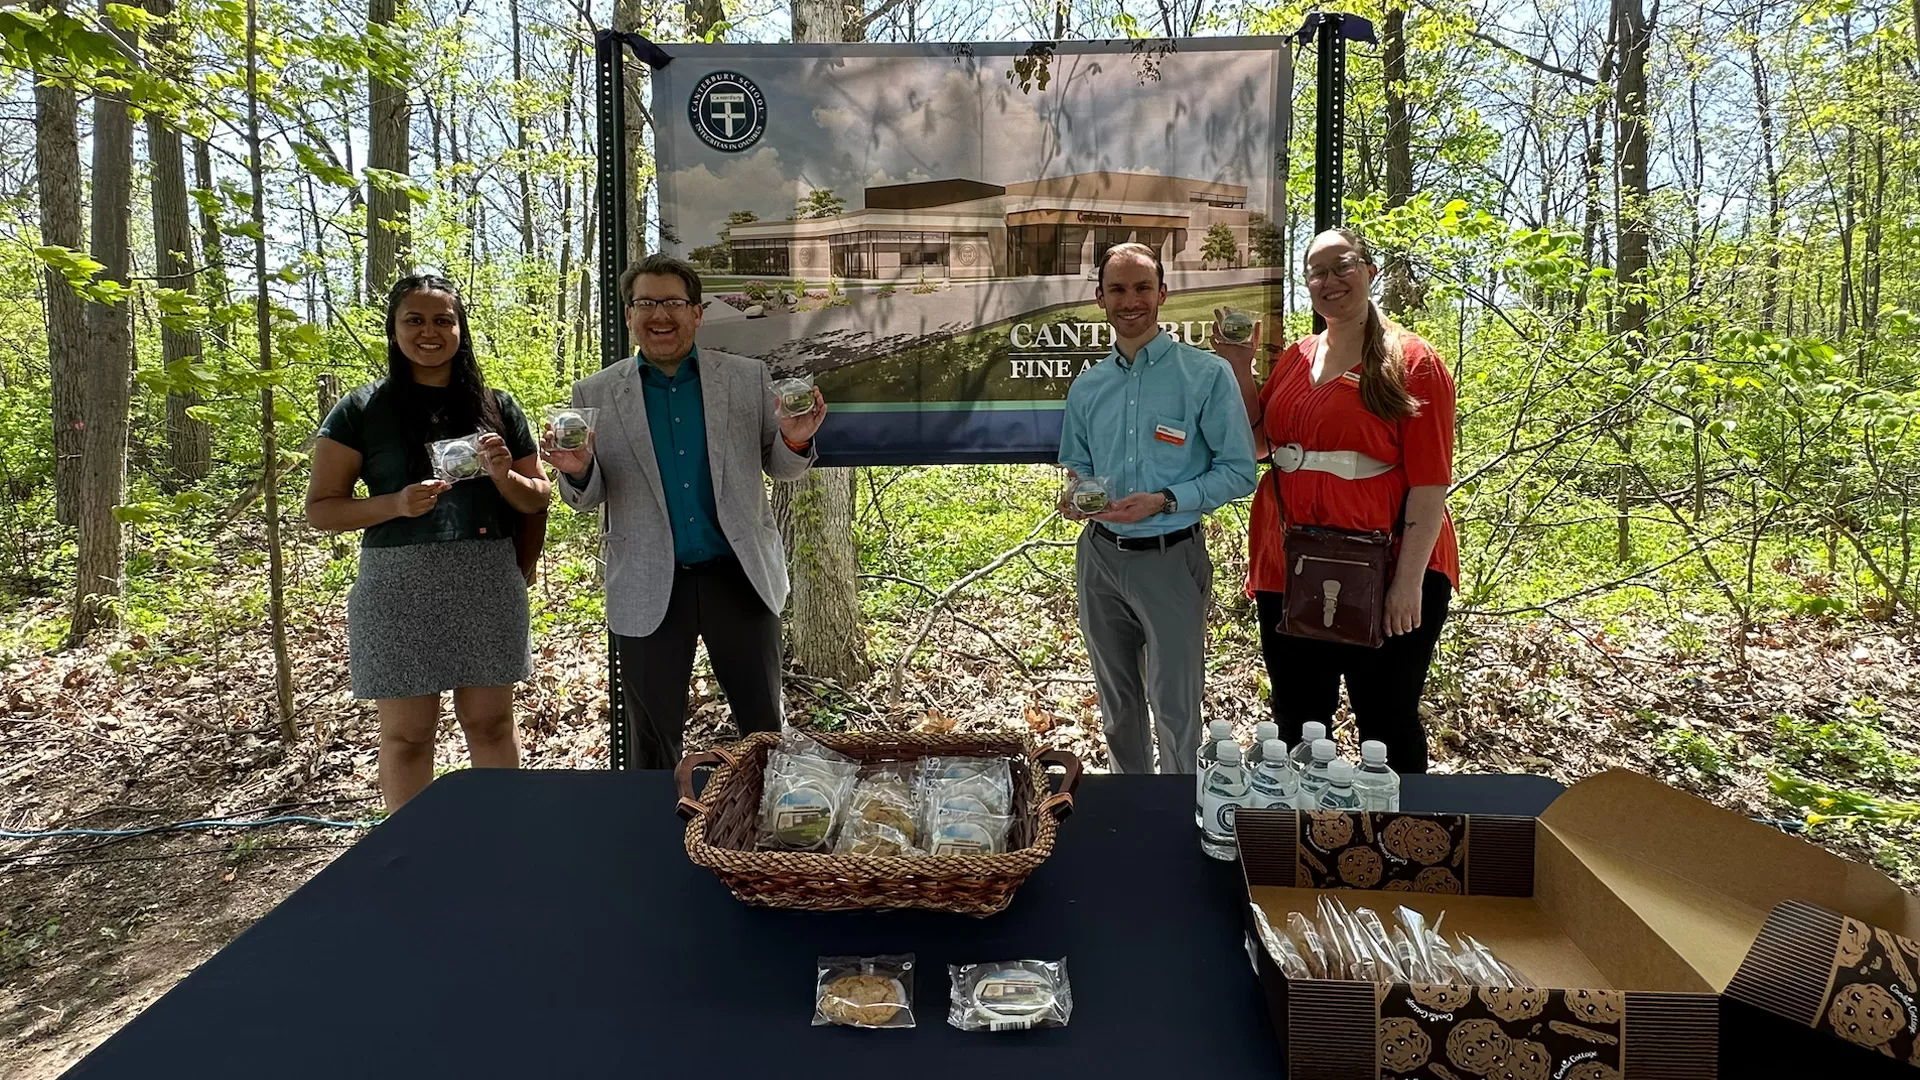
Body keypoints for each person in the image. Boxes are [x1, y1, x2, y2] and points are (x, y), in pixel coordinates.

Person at [544, 253, 826, 769]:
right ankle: (648, 836)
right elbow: (585, 497)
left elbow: (781, 467)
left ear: (697, 313)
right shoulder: (596, 393)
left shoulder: (746, 378)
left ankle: (759, 838)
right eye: (646, 303)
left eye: (673, 302)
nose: (660, 315)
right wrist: (578, 469)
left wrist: (794, 440)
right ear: (629, 315)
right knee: (650, 741)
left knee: (762, 729)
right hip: (648, 582)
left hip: (739, 576)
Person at [1217, 227, 1460, 774]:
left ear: (1369, 271)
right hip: (1292, 564)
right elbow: (1259, 444)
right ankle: (1307, 843)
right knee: (1298, 721)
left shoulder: (1413, 361)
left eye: (1341, 266)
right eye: (1316, 271)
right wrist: (1238, 365)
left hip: (1390, 564)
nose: (1329, 281)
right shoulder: (1296, 358)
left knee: (1387, 719)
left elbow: (1430, 482)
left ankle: (1401, 844)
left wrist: (1406, 586)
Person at [306, 274, 551, 811]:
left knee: (490, 723)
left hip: (485, 576)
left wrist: (505, 476)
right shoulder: (362, 408)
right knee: (409, 735)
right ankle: (412, 854)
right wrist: (394, 504)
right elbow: (321, 509)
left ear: (461, 328)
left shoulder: (497, 406)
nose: (430, 332)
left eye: (444, 319)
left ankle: (502, 837)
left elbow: (537, 500)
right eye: (414, 320)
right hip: (398, 584)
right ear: (394, 330)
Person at [1057, 242, 1258, 774]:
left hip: (1171, 559)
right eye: (1118, 289)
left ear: (1162, 294)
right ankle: (1130, 818)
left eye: (1142, 287)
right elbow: (1076, 467)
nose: (1131, 300)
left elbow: (1240, 472)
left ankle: (1177, 820)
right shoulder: (1088, 386)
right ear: (1100, 298)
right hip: (1099, 561)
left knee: (1175, 709)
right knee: (1117, 708)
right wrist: (1075, 499)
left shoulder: (1206, 375)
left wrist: (1166, 500)